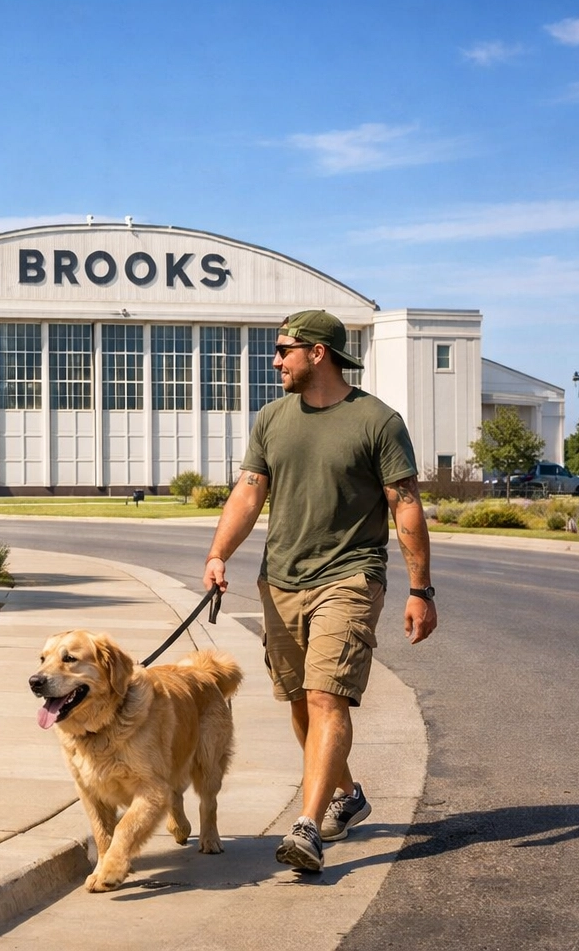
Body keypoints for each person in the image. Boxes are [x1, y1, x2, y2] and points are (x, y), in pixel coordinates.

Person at [202, 309, 437, 874]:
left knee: (327, 696)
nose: (275, 360)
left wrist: (420, 590)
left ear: (318, 352)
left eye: (284, 350)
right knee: (302, 704)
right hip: (280, 579)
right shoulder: (273, 418)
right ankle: (347, 794)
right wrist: (217, 555)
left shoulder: (377, 422)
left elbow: (405, 504)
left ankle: (308, 828)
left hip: (350, 577)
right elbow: (248, 494)